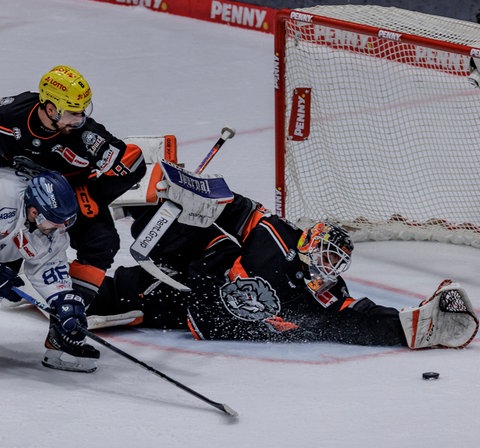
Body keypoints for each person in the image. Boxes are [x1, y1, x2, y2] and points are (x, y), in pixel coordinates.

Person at [88, 161, 479, 349]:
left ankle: (72, 290)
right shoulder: (278, 235)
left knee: (118, 296)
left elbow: (358, 321)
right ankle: (115, 193)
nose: (326, 270)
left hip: (193, 311)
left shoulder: (323, 296)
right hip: (200, 271)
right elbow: (231, 206)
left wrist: (411, 327)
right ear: (308, 244)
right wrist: (187, 186)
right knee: (203, 233)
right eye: (324, 257)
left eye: (333, 265)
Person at [0, 65, 146, 308]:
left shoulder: (87, 137)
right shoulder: (9, 114)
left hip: (68, 189)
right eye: (73, 113)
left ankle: (73, 302)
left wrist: (95, 195)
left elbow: (132, 164)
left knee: (102, 241)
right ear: (50, 108)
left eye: (82, 112)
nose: (80, 119)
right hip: (12, 183)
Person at [0, 167, 100, 372]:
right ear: (34, 211)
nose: (58, 229)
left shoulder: (49, 225)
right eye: (54, 223)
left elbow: (48, 264)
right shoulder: (4, 194)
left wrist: (64, 299)